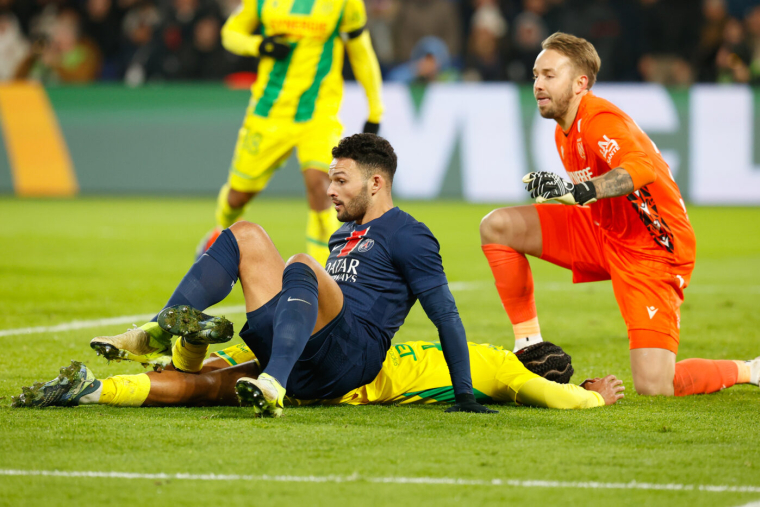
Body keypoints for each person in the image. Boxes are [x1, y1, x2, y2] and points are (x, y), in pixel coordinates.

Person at [87, 134, 492, 417]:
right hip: (306, 349)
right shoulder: (343, 233)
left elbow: (446, 313)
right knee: (244, 234)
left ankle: (272, 382)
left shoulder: (410, 234)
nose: (330, 190)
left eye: (340, 180)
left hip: (352, 357)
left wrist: (464, 395)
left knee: (302, 262)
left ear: (376, 182)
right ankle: (158, 331)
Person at [479, 32, 760, 397]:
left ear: (581, 83)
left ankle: (749, 369)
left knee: (655, 386)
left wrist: (579, 190)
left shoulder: (599, 120)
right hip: (603, 231)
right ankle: (527, 345)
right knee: (497, 226)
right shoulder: (564, 130)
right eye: (536, 74)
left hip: (652, 251)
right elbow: (598, 195)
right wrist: (571, 195)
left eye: (550, 75)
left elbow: (641, 169)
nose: (538, 84)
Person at [205, 0, 385, 267]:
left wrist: (375, 109)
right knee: (238, 196)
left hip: (318, 114)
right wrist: (259, 45)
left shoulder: (345, 3)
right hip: (269, 113)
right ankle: (221, 228)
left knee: (323, 186)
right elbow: (230, 33)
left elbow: (360, 49)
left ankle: (323, 277)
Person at [11, 341, 625, 410]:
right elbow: (553, 397)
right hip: (346, 380)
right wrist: (592, 395)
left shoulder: (480, 348)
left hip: (347, 346)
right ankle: (97, 390)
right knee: (205, 392)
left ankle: (101, 383)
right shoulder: (501, 374)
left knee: (216, 377)